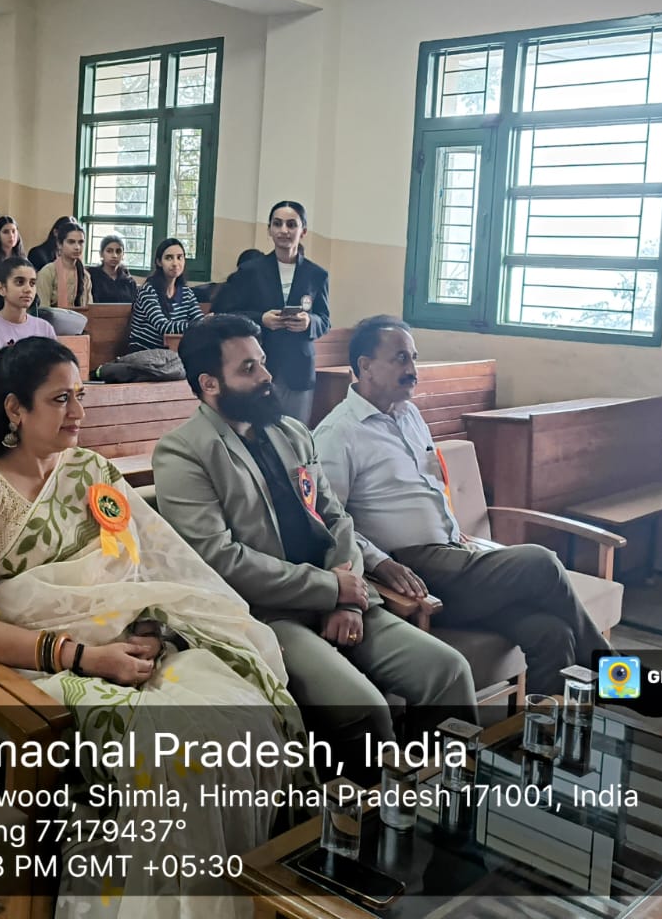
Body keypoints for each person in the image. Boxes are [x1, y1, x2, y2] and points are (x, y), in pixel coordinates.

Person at [0, 338, 305, 911]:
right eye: (60, 399)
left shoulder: (92, 470)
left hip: (127, 646)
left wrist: (151, 630)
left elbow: (143, 567)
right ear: (15, 408)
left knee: (242, 717)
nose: (79, 413)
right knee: (181, 749)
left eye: (80, 396)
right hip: (38, 667)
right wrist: (86, 657)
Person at [153, 315, 476, 750]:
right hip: (268, 615)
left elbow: (337, 518)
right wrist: (330, 590)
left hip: (341, 595)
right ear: (210, 384)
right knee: (363, 709)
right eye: (248, 368)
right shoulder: (183, 452)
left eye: (262, 361)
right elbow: (220, 559)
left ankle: (447, 788)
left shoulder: (290, 432)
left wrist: (348, 598)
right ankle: (375, 796)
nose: (267, 376)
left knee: (448, 672)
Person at [314, 317, 605, 695]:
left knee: (553, 634)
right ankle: (619, 675)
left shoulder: (409, 414)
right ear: (365, 366)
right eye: (401, 359)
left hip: (455, 558)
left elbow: (430, 483)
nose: (412, 369)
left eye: (414, 358)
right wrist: (379, 562)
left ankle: (541, 731)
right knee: (541, 563)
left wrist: (452, 529)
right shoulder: (338, 433)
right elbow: (328, 522)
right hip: (414, 571)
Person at [219, 201, 331, 424]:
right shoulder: (250, 271)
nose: (284, 230)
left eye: (291, 224)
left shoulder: (316, 274)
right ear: (269, 230)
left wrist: (309, 322)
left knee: (295, 433)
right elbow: (226, 313)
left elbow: (325, 320)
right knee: (257, 430)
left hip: (298, 368)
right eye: (277, 224)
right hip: (258, 363)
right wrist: (261, 319)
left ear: (303, 231)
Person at [127, 238, 204, 352]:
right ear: (159, 262)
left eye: (179, 257)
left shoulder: (186, 293)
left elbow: (200, 321)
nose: (175, 263)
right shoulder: (148, 291)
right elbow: (164, 327)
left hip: (171, 353)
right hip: (144, 352)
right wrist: (199, 324)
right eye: (169, 258)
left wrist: (207, 323)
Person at [0, 257, 58, 350]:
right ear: (1, 288)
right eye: (20, 282)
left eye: (32, 283)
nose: (28, 290)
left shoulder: (45, 328)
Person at [35, 219, 92, 309]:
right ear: (59, 244)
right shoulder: (48, 272)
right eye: (71, 242)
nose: (77, 247)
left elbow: (89, 308)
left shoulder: (85, 276)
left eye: (81, 242)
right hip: (52, 318)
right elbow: (43, 309)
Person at [90, 235, 138, 304]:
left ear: (123, 255)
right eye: (109, 251)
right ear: (101, 254)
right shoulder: (92, 276)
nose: (114, 255)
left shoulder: (128, 281)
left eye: (118, 251)